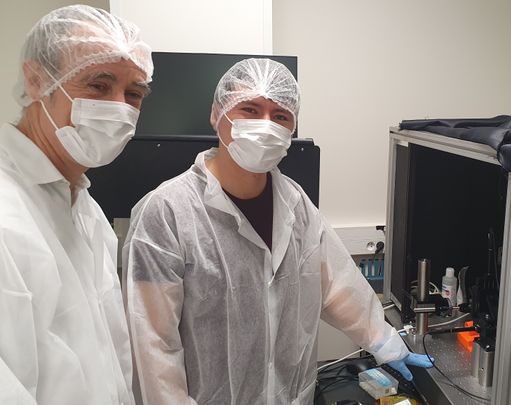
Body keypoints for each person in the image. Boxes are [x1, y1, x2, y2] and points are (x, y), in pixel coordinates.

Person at [124, 58, 431, 405]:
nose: (265, 125)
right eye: (250, 109)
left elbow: (336, 286)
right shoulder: (165, 213)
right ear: (217, 114)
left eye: (280, 116)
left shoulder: (295, 205)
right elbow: (153, 346)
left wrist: (387, 345)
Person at [0, 5, 152, 404]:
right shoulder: (7, 211)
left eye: (133, 93)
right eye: (99, 85)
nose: (120, 107)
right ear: (36, 82)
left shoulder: (86, 211)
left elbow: (110, 359)